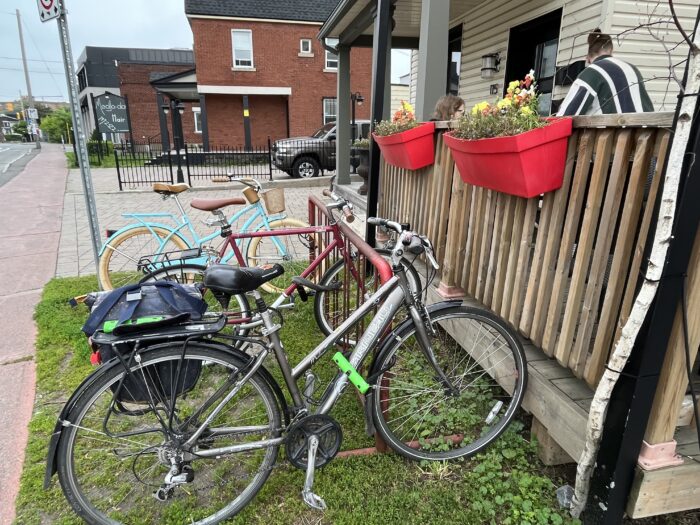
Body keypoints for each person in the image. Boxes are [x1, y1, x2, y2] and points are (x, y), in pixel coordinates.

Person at [557, 29, 654, 116]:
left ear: (588, 58)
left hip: (610, 135)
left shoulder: (592, 72)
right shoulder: (633, 70)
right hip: (644, 134)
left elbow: (565, 117)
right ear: (611, 50)